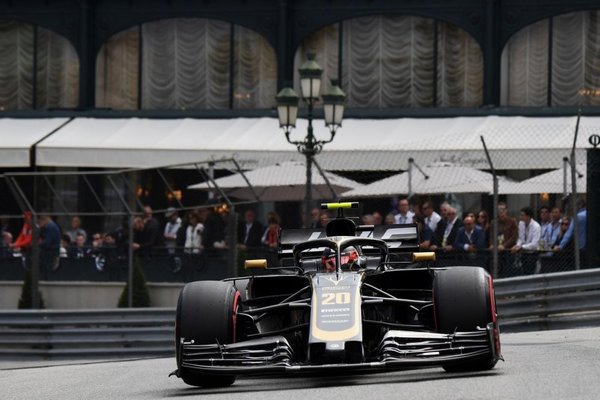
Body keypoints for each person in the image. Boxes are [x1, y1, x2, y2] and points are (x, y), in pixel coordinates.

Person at [510, 206, 541, 275]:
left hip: (532, 254)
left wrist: (521, 247)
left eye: (522, 215)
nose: (520, 217)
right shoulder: (521, 223)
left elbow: (534, 244)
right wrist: (517, 245)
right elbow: (521, 238)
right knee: (523, 272)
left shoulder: (536, 226)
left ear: (528, 216)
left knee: (530, 273)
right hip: (523, 253)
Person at [558, 197, 587, 265]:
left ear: (579, 205)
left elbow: (569, 233)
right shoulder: (591, 215)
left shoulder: (578, 217)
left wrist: (560, 246)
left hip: (581, 248)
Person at [163, 207, 182, 272]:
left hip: (177, 248)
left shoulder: (180, 223)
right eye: (168, 217)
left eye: (170, 217)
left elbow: (180, 236)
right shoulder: (168, 224)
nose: (169, 219)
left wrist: (173, 237)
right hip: (168, 247)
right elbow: (165, 234)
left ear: (175, 215)